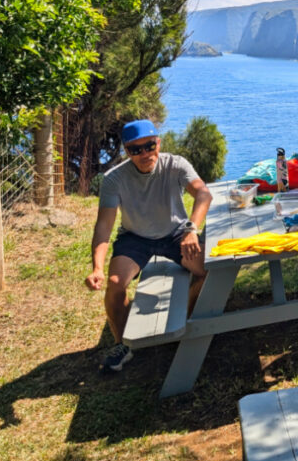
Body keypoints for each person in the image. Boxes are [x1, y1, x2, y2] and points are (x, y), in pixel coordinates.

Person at [84, 119, 213, 373]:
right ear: (126, 151)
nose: (145, 153)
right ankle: (122, 344)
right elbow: (104, 226)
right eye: (136, 149)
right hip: (135, 238)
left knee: (210, 270)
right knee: (115, 284)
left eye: (149, 146)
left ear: (158, 143)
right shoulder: (114, 179)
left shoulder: (175, 165)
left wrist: (191, 229)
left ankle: (183, 320)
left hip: (176, 233)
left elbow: (203, 194)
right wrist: (97, 267)